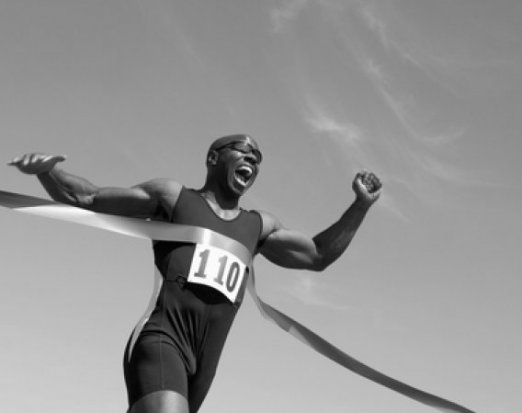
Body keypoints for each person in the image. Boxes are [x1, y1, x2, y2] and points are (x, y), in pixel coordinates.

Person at [8, 134, 382, 413]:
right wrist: (47, 170)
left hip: (204, 365)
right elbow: (87, 198)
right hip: (162, 340)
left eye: (257, 156)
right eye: (242, 149)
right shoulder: (174, 197)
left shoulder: (259, 226)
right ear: (214, 157)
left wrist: (359, 207)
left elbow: (317, 256)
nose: (252, 155)